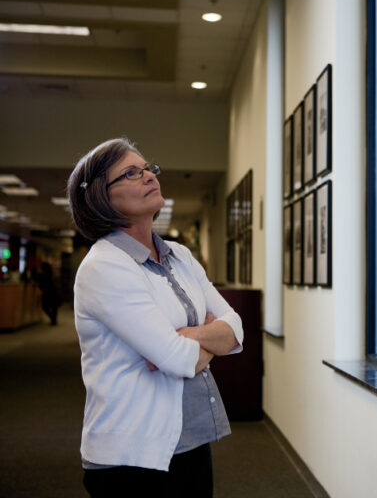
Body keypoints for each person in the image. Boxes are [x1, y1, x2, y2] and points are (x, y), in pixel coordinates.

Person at [66, 137, 244, 497]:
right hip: (133, 452)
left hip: (190, 437)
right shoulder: (104, 267)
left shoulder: (178, 254)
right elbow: (178, 359)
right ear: (101, 195)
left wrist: (186, 335)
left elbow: (236, 329)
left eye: (148, 168)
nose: (148, 176)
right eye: (131, 173)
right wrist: (207, 333)